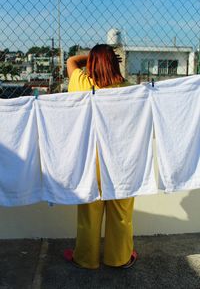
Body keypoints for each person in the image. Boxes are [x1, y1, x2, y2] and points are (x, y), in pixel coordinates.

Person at [64, 44, 137, 269]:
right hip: (121, 158)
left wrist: (92, 57)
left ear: (93, 64)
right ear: (115, 63)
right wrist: (108, 58)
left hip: (90, 158)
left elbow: (71, 62)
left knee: (89, 211)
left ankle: (85, 258)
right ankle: (120, 258)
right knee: (121, 211)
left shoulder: (83, 84)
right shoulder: (130, 90)